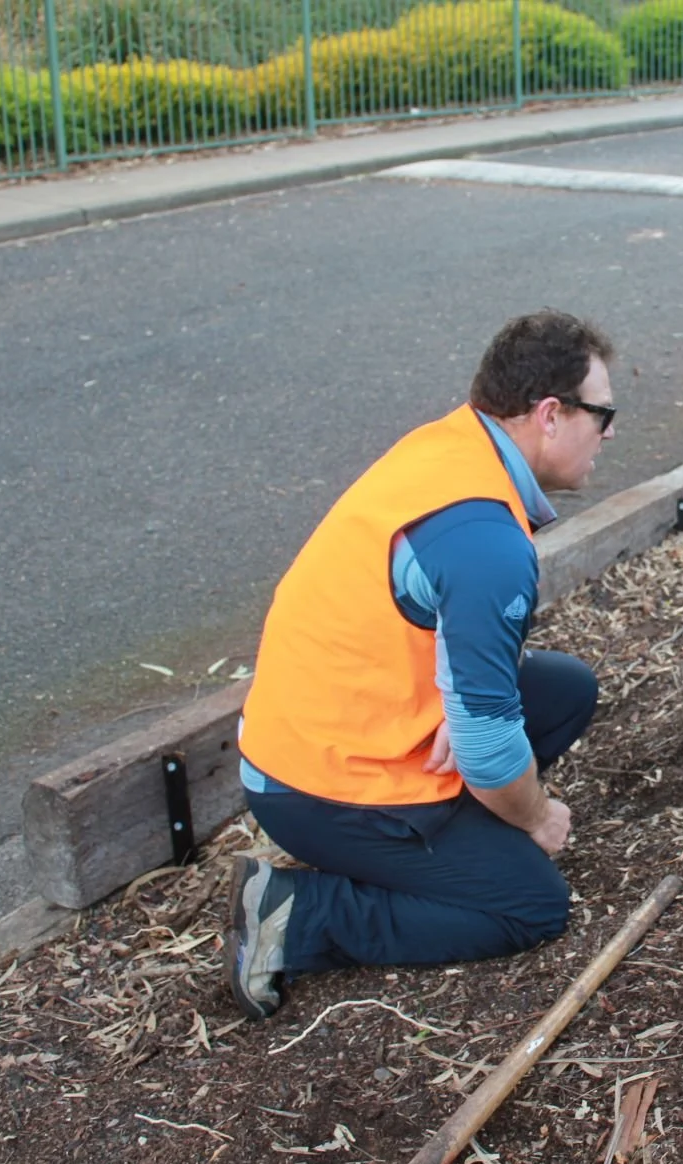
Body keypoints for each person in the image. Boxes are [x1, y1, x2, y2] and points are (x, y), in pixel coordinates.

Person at [224, 310, 619, 1020]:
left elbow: (435, 624)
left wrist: (459, 713)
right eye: (602, 414)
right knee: (531, 905)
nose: (609, 433)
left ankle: (456, 841)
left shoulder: (451, 448)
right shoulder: (483, 539)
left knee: (562, 692)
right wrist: (535, 815)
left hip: (309, 729)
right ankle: (293, 913)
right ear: (550, 414)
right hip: (319, 784)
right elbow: (489, 748)